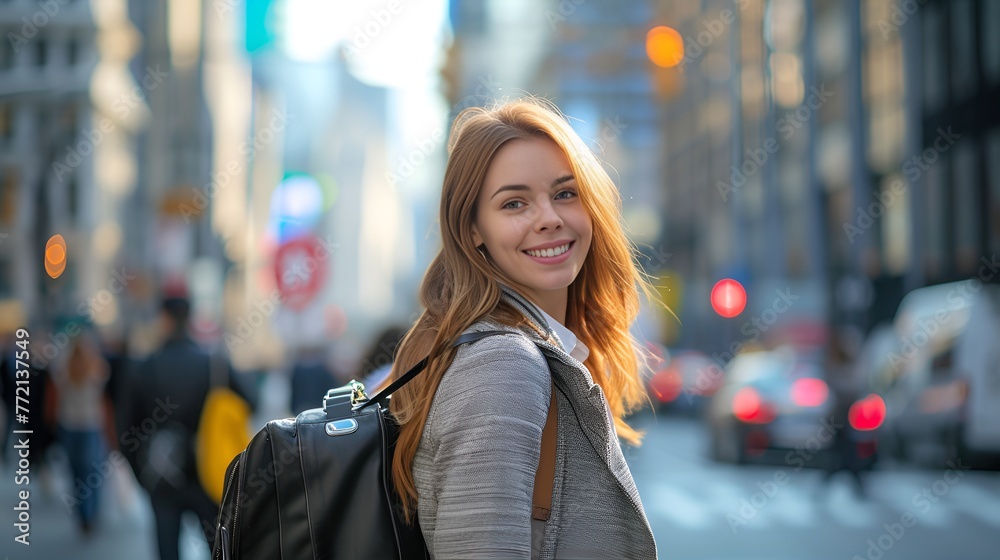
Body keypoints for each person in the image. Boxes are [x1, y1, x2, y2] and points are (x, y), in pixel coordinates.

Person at [387, 98, 658, 558]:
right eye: (514, 203)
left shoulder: (536, 351)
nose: (549, 217)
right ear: (473, 230)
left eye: (565, 193)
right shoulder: (503, 366)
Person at [121, 296, 256, 560]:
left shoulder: (143, 368)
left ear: (164, 320)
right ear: (190, 319)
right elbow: (251, 401)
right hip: (208, 470)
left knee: (167, 549)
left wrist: (140, 475)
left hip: (160, 475)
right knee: (218, 548)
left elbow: (126, 428)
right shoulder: (213, 364)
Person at [53, 329, 112, 535]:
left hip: (69, 425)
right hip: (90, 425)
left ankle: (83, 514)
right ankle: (92, 512)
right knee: (92, 473)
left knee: (76, 473)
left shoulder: (63, 369)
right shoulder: (97, 368)